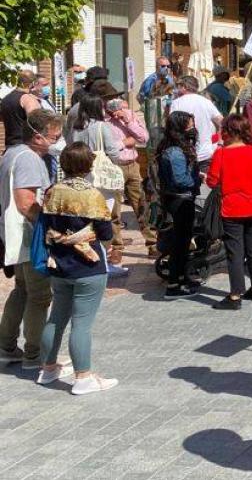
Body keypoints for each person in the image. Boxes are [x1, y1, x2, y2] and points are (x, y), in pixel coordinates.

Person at [33, 141, 118, 394]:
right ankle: (83, 377)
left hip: (58, 263)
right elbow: (104, 233)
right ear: (88, 165)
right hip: (88, 266)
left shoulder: (52, 191)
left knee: (56, 318)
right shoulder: (92, 195)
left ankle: (47, 369)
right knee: (81, 323)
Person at [0, 110, 61, 368]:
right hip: (28, 237)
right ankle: (34, 354)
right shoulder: (29, 159)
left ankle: (6, 346)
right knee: (39, 295)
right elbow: (26, 203)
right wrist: (48, 227)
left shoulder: (12, 153)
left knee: (22, 290)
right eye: (53, 137)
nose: (56, 142)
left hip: (14, 236)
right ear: (38, 137)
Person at [205, 114, 252, 310]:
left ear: (228, 132)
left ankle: (235, 295)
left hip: (233, 207)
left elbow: (212, 181)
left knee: (235, 252)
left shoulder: (222, 154)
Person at [66, 91, 128, 269]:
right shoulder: (102, 127)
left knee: (86, 221)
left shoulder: (76, 128)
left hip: (81, 176)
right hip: (101, 181)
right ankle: (102, 261)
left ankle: (87, 257)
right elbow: (113, 153)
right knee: (103, 219)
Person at [155, 112, 202, 298]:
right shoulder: (174, 152)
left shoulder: (174, 147)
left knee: (182, 241)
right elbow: (181, 180)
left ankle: (180, 278)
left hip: (179, 198)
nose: (193, 129)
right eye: (190, 125)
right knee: (180, 243)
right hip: (180, 200)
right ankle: (174, 284)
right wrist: (197, 179)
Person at [105, 97, 152, 254]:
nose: (124, 112)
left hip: (132, 165)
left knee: (141, 204)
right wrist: (125, 143)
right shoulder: (105, 123)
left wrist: (129, 122)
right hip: (114, 167)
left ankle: (152, 242)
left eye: (125, 108)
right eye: (121, 109)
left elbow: (143, 138)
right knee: (115, 210)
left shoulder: (131, 117)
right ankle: (117, 247)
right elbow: (109, 146)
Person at [169, 76, 223, 168]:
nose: (177, 89)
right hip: (205, 154)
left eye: (178, 86)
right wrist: (220, 143)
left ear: (184, 87)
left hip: (183, 154)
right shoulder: (206, 102)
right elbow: (222, 122)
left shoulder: (176, 103)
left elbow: (171, 126)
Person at [1, 70, 44, 147]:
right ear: (33, 83)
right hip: (25, 146)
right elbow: (37, 123)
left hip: (10, 145)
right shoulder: (27, 99)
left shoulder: (5, 99)